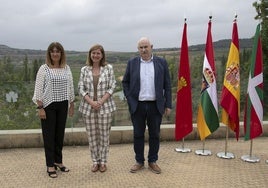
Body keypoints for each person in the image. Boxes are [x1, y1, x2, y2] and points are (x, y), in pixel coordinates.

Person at [122, 37, 172, 174]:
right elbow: (125, 82)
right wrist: (128, 96)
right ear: (138, 49)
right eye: (141, 47)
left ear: (151, 47)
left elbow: (167, 85)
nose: (143, 50)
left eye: (146, 47)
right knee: (138, 134)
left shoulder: (161, 62)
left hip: (155, 106)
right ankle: (139, 161)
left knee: (154, 134)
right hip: (137, 105)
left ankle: (152, 161)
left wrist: (168, 104)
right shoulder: (132, 63)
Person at [32, 42, 75, 178]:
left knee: (59, 135)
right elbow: (38, 89)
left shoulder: (66, 68)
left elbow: (71, 87)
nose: (55, 53)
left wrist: (71, 104)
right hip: (48, 105)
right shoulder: (44, 69)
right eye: (52, 51)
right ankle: (50, 165)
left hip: (63, 104)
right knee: (49, 136)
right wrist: (40, 108)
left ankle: (58, 161)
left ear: (61, 53)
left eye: (58, 51)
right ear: (49, 54)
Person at [78, 44, 116, 173]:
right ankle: (95, 161)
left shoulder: (108, 68)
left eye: (98, 53)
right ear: (90, 54)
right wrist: (91, 102)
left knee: (104, 136)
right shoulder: (84, 69)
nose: (95, 55)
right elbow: (81, 88)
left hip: (105, 107)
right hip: (88, 108)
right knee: (92, 136)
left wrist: (100, 102)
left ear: (102, 55)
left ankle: (103, 162)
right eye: (93, 53)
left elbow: (112, 86)